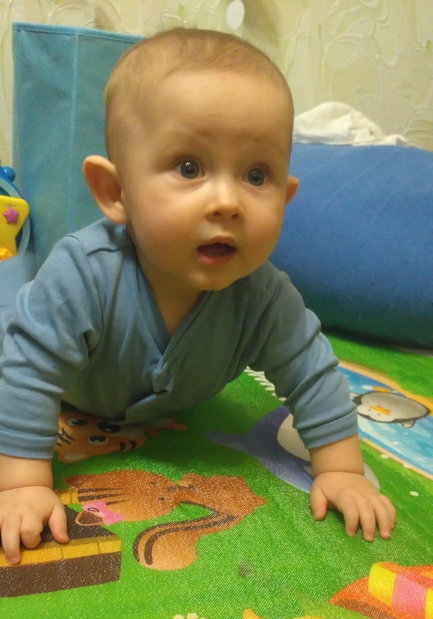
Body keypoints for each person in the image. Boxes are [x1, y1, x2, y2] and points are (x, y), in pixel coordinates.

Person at [0, 28, 395, 565]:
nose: (228, 201)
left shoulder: (264, 298)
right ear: (115, 193)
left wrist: (342, 470)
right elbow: (28, 369)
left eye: (256, 175)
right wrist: (22, 483)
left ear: (285, 198)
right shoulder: (83, 274)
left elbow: (312, 373)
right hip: (44, 357)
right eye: (190, 168)